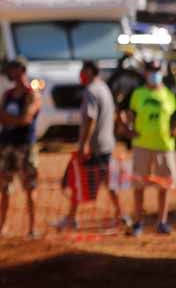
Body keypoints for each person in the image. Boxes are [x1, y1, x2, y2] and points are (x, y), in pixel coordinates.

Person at [55, 61, 128, 232]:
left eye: (82, 70)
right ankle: (121, 214)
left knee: (78, 180)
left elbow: (90, 119)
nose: (80, 74)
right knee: (108, 181)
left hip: (96, 146)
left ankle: (72, 219)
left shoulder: (91, 90)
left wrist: (83, 145)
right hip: (107, 144)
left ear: (88, 71)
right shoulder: (104, 87)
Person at [123, 60, 175, 236]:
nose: (154, 73)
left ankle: (162, 222)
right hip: (142, 146)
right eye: (151, 70)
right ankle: (138, 223)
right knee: (139, 185)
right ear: (145, 73)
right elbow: (128, 115)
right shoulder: (138, 94)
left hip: (164, 146)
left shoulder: (169, 95)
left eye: (157, 70)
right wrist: (128, 130)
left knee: (165, 185)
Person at [0, 57, 42, 237]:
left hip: (25, 146)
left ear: (22, 70)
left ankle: (32, 228)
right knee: (5, 188)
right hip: (7, 146)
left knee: (30, 187)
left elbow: (26, 119)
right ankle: (2, 227)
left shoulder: (32, 94)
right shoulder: (7, 95)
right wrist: (13, 119)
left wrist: (8, 118)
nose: (10, 73)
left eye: (13, 69)